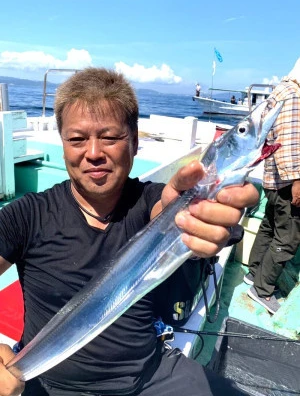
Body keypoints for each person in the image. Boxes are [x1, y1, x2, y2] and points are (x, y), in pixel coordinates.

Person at [0, 67, 258, 396]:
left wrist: (195, 222)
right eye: (77, 139)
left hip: (148, 376)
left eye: (110, 137)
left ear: (135, 142)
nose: (93, 153)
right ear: (63, 146)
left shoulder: (155, 203)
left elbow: (166, 213)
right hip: (49, 382)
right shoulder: (28, 214)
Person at [244, 58, 300, 314]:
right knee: (287, 238)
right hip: (288, 183)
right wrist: (297, 180)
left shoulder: (280, 91)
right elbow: (290, 143)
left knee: (269, 226)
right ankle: (263, 289)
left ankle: (254, 274)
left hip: (274, 181)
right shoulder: (294, 95)